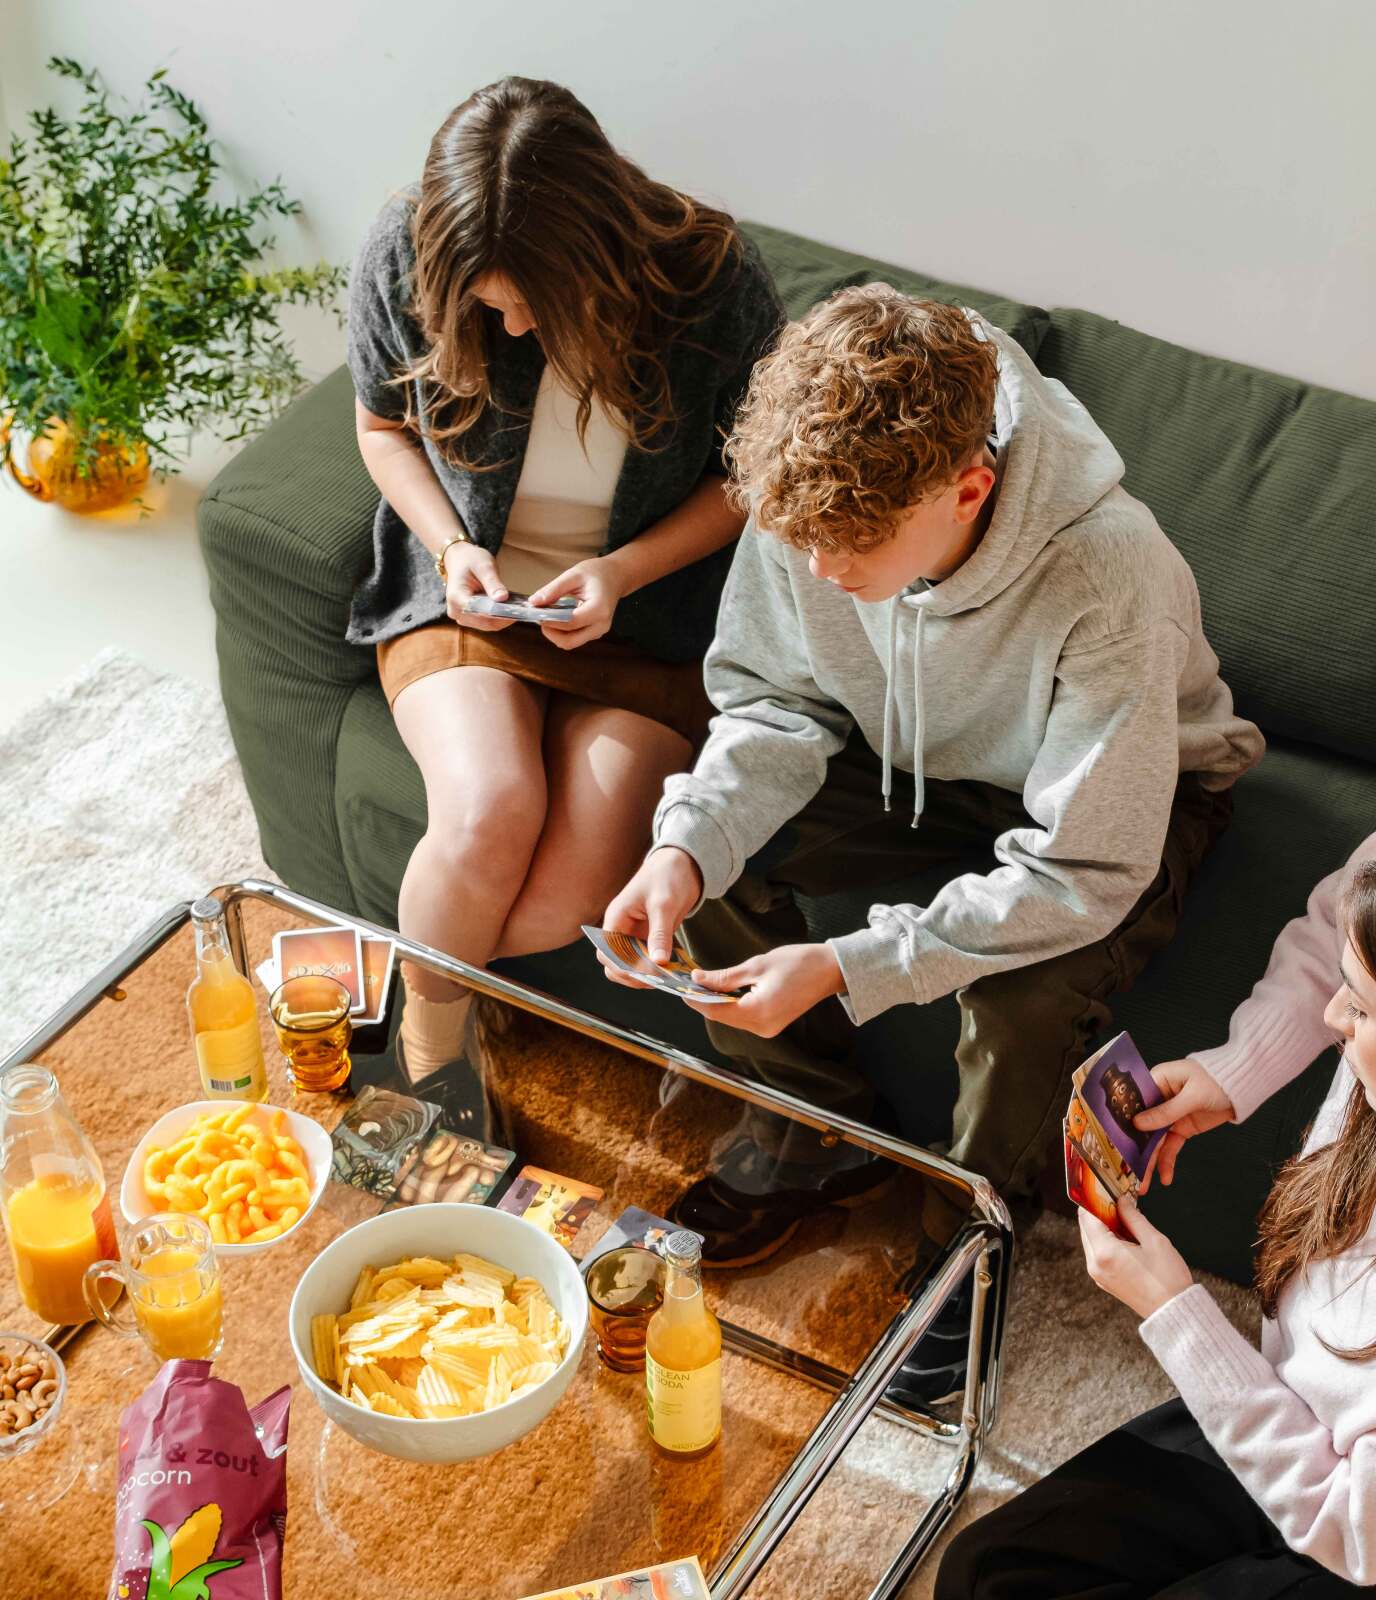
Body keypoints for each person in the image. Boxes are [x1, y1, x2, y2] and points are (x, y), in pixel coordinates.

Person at [601, 283, 1264, 1400]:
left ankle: (968, 1242)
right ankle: (824, 1134)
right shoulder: (807, 503)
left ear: (970, 490)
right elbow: (771, 702)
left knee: (1019, 1006)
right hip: (914, 754)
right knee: (703, 860)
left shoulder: (1113, 574)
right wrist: (686, 844)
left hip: (1127, 795)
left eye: (847, 547)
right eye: (794, 539)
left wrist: (849, 965)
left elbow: (1081, 867)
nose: (816, 573)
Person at [937, 828, 1376, 1600]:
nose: (1332, 1015)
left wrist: (1175, 1311)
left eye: (1359, 1005)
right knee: (986, 1576)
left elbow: (1354, 1530)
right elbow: (1361, 889)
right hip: (1295, 1415)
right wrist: (1234, 1068)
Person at [344, 76, 782, 1076]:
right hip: (465, 597)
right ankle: (426, 1079)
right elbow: (381, 427)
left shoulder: (714, 286)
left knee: (571, 892)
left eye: (524, 297)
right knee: (489, 810)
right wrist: (452, 546)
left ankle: (392, 991)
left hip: (644, 618)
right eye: (481, 303)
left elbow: (752, 478)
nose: (506, 328)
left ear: (593, 252)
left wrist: (622, 572)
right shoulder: (403, 248)